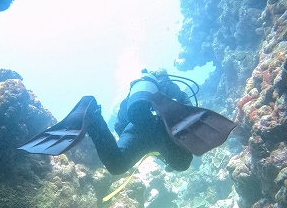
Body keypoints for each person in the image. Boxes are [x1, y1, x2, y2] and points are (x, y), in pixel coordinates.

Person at [19, 68, 236, 175]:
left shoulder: (131, 97)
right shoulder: (173, 89)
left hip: (138, 130)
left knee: (117, 165)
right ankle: (95, 119)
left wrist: (134, 129)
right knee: (183, 164)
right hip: (166, 132)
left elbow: (121, 123)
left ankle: (93, 116)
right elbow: (189, 115)